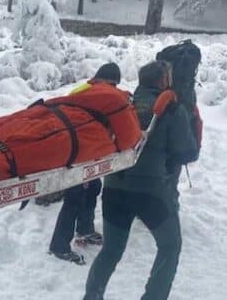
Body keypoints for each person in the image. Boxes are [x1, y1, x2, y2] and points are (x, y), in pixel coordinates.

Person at [83, 60, 199, 300]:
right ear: (163, 81)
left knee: (111, 250)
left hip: (114, 189)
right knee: (170, 246)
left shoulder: (123, 106)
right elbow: (188, 153)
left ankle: (92, 296)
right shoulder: (172, 109)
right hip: (152, 192)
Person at [48, 63, 123, 265]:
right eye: (113, 84)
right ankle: (59, 246)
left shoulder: (88, 89)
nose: (113, 89)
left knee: (93, 187)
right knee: (75, 197)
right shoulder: (89, 93)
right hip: (77, 154)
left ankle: (85, 229)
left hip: (88, 152)